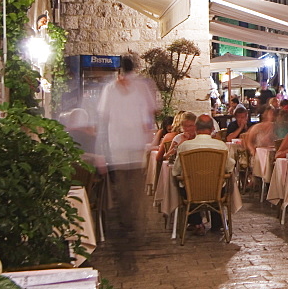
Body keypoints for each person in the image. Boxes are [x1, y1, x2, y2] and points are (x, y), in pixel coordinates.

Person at [96, 54, 158, 237]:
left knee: (122, 184)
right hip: (137, 141)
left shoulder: (110, 88)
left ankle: (127, 219)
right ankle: (139, 219)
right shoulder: (142, 86)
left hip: (118, 142)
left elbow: (103, 113)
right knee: (137, 183)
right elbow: (151, 110)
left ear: (120, 69)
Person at [173, 114, 235, 235]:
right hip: (215, 191)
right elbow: (229, 167)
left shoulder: (184, 147)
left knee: (186, 184)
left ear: (196, 127)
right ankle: (217, 222)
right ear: (212, 129)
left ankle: (196, 222)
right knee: (219, 183)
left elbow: (176, 171)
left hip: (191, 192)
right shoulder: (221, 146)